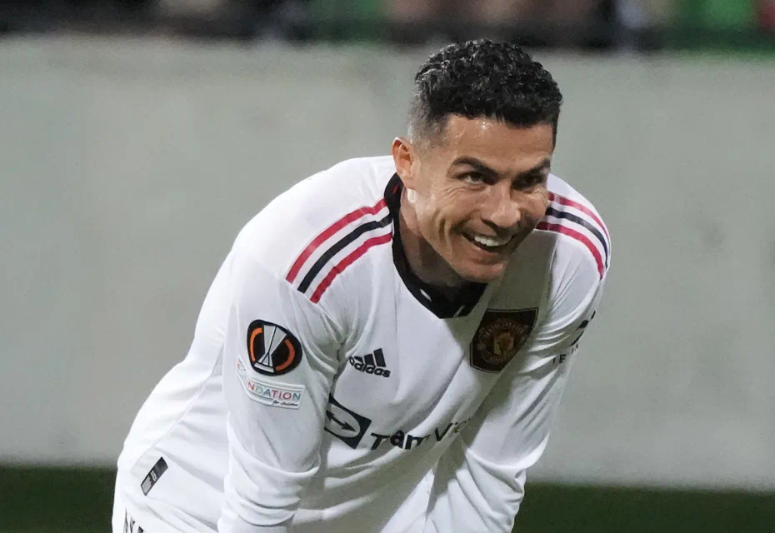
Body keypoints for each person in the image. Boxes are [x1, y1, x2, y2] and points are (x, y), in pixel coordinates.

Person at [112, 39, 611, 533]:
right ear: (407, 162)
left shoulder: (567, 257)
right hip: (194, 508)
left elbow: (488, 479)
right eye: (475, 178)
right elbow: (260, 505)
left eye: (529, 181)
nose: (504, 214)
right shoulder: (306, 264)